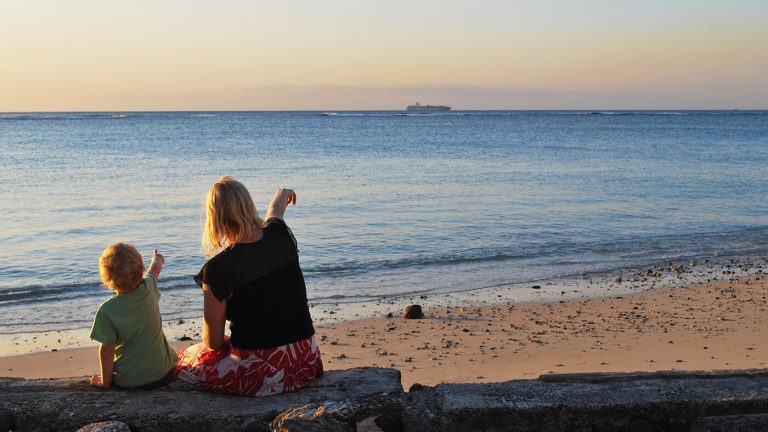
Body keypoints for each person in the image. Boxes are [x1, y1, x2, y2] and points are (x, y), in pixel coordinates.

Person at [174, 176, 323, 396]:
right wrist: (283, 192)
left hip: (265, 375)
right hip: (306, 361)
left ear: (215, 218)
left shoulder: (217, 270)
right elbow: (276, 211)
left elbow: (213, 342)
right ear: (249, 205)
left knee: (184, 362)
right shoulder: (280, 234)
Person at [90, 243, 178, 389]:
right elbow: (154, 269)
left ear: (106, 279)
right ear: (141, 270)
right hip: (164, 373)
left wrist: (106, 381)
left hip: (129, 381)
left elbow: (106, 350)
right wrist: (158, 258)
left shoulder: (107, 311)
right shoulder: (148, 287)